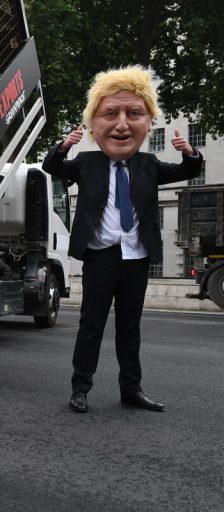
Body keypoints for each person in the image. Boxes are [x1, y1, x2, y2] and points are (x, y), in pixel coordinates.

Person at [42, 65, 203, 414]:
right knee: (91, 326)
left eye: (134, 114)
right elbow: (53, 169)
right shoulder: (86, 162)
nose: (121, 124)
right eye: (110, 113)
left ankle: (132, 389)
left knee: (130, 329)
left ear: (147, 122)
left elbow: (186, 171)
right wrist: (62, 147)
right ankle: (80, 388)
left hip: (136, 257)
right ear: (95, 123)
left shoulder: (148, 164)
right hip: (101, 255)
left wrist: (190, 152)